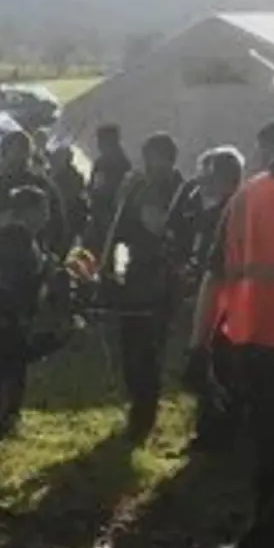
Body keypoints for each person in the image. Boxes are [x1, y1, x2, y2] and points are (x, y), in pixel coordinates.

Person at [208, 120, 274, 548]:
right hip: (270, 343)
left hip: (254, 342)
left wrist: (208, 342)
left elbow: (219, 272)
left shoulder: (249, 193)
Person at [99, 132, 186, 439]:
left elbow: (160, 226)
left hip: (158, 279)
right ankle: (137, 403)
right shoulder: (139, 186)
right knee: (129, 344)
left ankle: (144, 413)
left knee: (148, 350)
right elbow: (120, 228)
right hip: (134, 273)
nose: (149, 164)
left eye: (154, 157)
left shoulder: (177, 189)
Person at [0, 186, 62, 432]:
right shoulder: (15, 239)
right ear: (28, 211)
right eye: (43, 211)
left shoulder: (18, 236)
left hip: (2, 310)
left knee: (5, 360)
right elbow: (13, 276)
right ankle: (3, 413)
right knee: (9, 363)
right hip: (7, 311)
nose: (47, 217)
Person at [179, 146, 248, 454]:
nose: (199, 181)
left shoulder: (233, 212)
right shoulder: (213, 209)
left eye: (205, 174)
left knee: (219, 366)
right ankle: (211, 430)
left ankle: (217, 435)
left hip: (228, 305)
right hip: (216, 298)